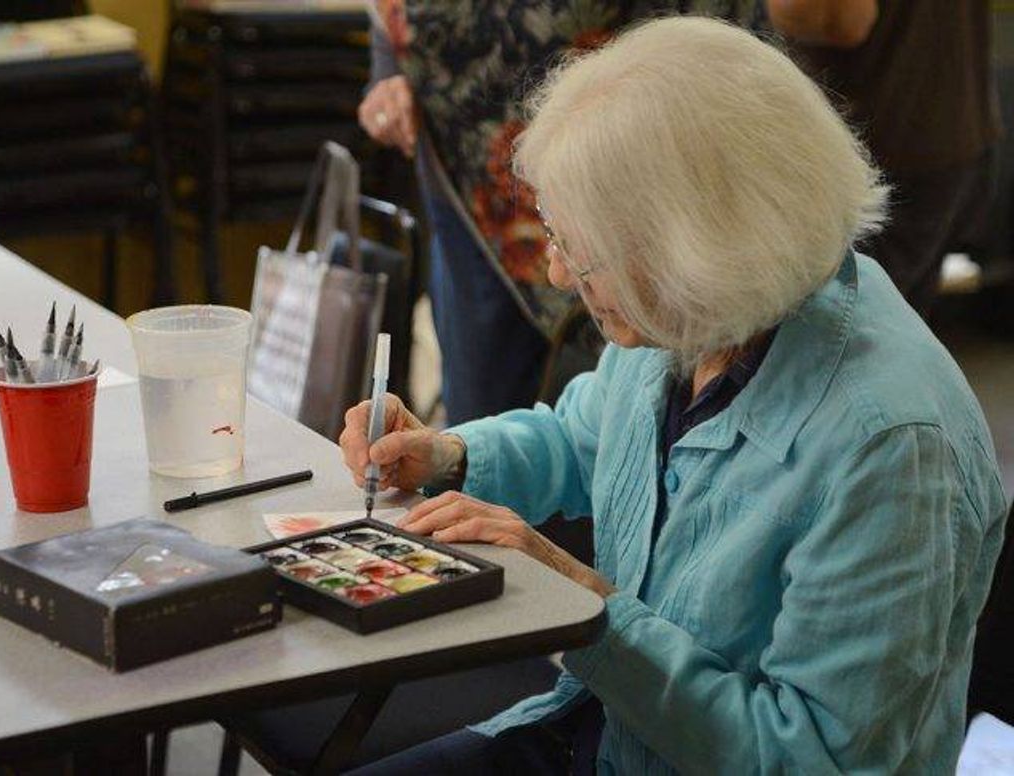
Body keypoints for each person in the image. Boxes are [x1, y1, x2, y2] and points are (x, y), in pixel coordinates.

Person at [340, 17, 1008, 774]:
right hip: (600, 731)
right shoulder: (705, 316)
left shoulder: (888, 450)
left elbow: (809, 761)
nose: (558, 275)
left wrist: (586, 613)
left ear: (695, 250)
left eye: (577, 248)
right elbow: (582, 437)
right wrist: (447, 455)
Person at [358, 1, 764, 424]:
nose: (559, 269)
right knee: (484, 412)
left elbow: (720, 52)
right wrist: (388, 74)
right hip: (469, 200)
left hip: (630, 196)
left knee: (632, 421)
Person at [767, 0, 1000, 318]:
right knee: (892, 332)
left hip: (872, 150)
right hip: (947, 123)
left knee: (829, 339)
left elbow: (834, 18)